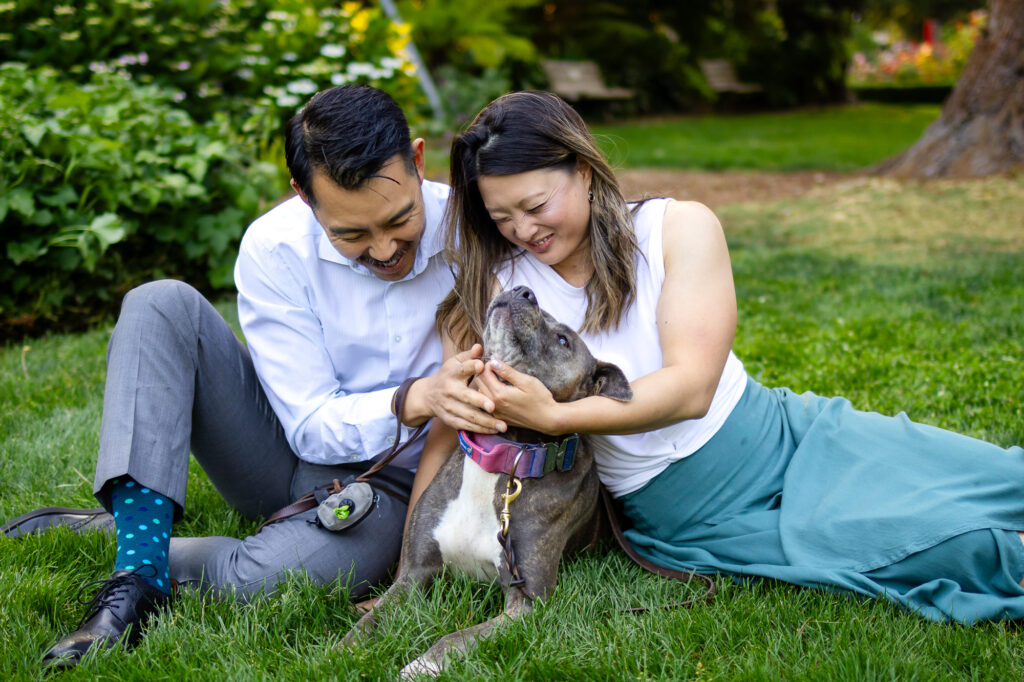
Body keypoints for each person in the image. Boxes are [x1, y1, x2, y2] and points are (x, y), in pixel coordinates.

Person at [427, 90, 1024, 624]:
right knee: (958, 546)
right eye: (501, 217)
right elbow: (460, 421)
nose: (522, 230)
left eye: (535, 206)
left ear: (583, 170)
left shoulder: (675, 228)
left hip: (785, 432)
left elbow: (692, 389)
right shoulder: (499, 290)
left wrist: (558, 417)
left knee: (1001, 477)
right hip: (690, 508)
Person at [2, 84, 502, 669]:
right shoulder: (274, 247)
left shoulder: (479, 232)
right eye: (351, 236)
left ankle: (121, 528)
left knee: (257, 585)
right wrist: (414, 397)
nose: (386, 248)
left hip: (397, 483)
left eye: (399, 219)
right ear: (303, 196)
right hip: (282, 447)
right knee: (159, 303)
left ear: (418, 161)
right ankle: (136, 570)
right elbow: (309, 425)